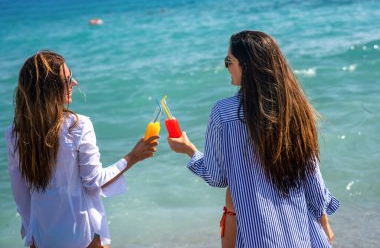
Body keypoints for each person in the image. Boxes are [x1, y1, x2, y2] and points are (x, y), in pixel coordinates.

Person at [168, 30, 339, 247]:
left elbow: (217, 177)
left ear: (246, 66)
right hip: (305, 235)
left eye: (229, 61)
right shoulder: (294, 108)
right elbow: (311, 173)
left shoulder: (223, 112)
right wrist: (324, 222)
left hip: (259, 238)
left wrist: (189, 151)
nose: (227, 67)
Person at [5, 51, 159, 248]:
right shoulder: (77, 126)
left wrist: (31, 236)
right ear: (48, 89)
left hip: (43, 238)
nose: (74, 83)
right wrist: (133, 157)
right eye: (67, 79)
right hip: (84, 237)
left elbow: (21, 196)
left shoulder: (14, 134)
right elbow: (94, 182)